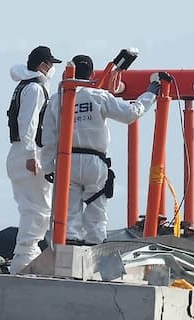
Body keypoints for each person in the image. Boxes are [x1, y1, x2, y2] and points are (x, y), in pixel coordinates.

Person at [40, 54, 160, 245]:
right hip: (95, 161)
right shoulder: (99, 96)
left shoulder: (57, 100)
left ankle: (67, 252)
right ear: (91, 74)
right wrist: (151, 93)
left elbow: (48, 138)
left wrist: (47, 167)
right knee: (97, 213)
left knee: (68, 215)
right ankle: (94, 250)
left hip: (66, 160)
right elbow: (130, 114)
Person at [6, 46, 61, 274]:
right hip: (28, 152)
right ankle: (25, 257)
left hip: (21, 151)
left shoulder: (24, 86)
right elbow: (27, 123)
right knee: (37, 208)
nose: (52, 69)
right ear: (43, 66)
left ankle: (28, 252)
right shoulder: (35, 89)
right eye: (50, 64)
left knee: (34, 206)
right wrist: (31, 155)